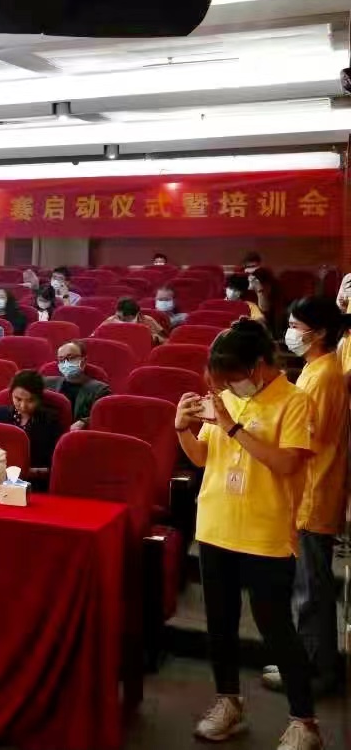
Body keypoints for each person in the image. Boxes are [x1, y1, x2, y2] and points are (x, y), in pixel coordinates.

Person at [173, 319, 320, 748]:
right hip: (215, 525)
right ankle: (228, 702)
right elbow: (201, 458)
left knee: (276, 628)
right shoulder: (225, 399)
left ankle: (305, 722)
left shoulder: (294, 401)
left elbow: (287, 464)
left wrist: (234, 428)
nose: (227, 386)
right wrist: (182, 428)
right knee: (219, 622)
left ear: (256, 367)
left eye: (233, 377)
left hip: (265, 531)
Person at [263, 297, 348, 698]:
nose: (291, 333)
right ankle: (304, 660)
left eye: (297, 326)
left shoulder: (325, 375)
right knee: (307, 585)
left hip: (315, 492)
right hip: (309, 490)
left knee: (311, 590)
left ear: (321, 332)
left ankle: (316, 672)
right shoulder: (315, 368)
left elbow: (308, 438)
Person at [0, 370, 64, 472]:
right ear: (11, 394)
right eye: (18, 399)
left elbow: (54, 462)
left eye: (30, 400)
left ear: (39, 399)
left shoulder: (50, 421)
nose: (23, 406)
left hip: (33, 475)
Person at [44, 340, 110, 430]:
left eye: (71, 358)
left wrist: (85, 421)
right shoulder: (47, 384)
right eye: (61, 360)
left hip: (79, 434)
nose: (66, 363)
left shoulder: (100, 390)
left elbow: (103, 416)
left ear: (84, 361)